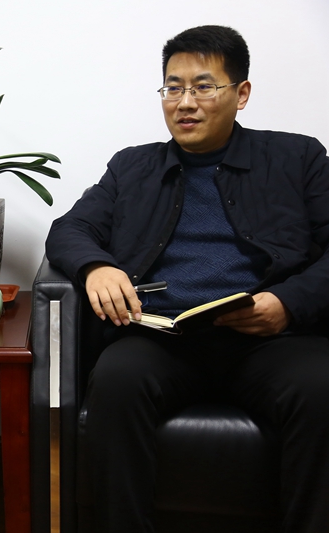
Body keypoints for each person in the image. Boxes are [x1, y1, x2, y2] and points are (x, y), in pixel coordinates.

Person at [45, 25, 329, 533]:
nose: (185, 103)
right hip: (162, 340)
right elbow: (70, 229)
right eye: (173, 88)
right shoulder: (131, 166)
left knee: (321, 386)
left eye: (203, 86)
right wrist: (96, 266)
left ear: (241, 93)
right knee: (117, 379)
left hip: (269, 340)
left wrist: (288, 302)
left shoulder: (298, 158)